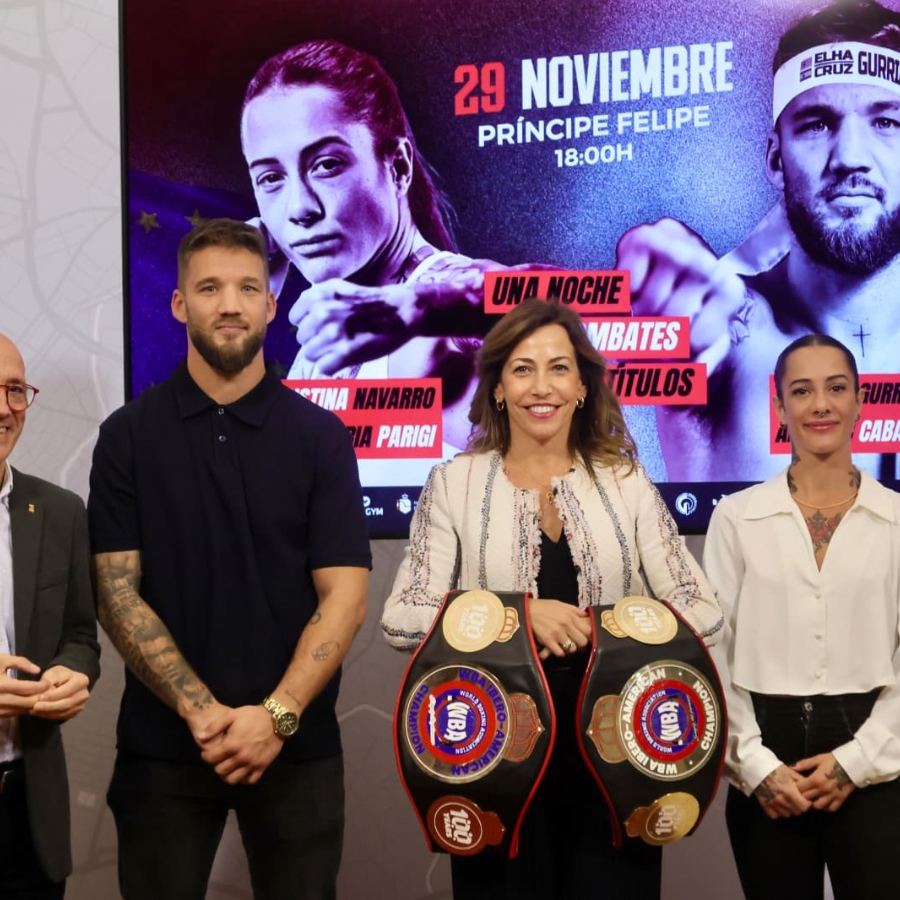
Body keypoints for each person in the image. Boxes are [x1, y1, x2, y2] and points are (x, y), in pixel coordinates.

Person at [381, 298, 723, 898]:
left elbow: (703, 612)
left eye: (559, 368)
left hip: (619, 747)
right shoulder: (453, 482)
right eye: (522, 369)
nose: (542, 386)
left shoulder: (627, 481)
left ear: (584, 387)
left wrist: (605, 628)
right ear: (497, 388)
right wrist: (517, 619)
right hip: (492, 749)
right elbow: (402, 620)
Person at [87, 219, 371, 900]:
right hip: (164, 752)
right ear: (179, 303)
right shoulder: (127, 436)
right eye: (209, 288)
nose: (230, 305)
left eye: (247, 288)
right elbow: (116, 594)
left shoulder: (321, 437)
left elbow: (345, 597)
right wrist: (202, 714)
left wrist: (274, 717)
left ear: (271, 304)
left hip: (295, 745)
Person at [616, 0, 900, 482]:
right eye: (817, 124)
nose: (851, 157)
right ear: (774, 159)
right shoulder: (732, 338)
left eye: (887, 123)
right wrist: (658, 281)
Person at [240, 39, 546, 454]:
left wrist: (419, 308)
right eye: (271, 178)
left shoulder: (441, 309)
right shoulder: (319, 355)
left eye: (326, 165)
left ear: (399, 166)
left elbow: (585, 305)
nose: (299, 208)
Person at [704, 334, 900, 900]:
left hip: (877, 759)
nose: (820, 405)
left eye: (836, 388)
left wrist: (857, 761)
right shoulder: (736, 518)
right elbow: (714, 653)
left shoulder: (896, 520)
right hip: (766, 760)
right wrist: (754, 766)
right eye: (802, 390)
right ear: (779, 405)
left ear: (860, 401)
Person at [0, 332, 100, 899]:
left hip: (29, 814)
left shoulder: (61, 511)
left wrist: (74, 671)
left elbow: (80, 635)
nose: (4, 408)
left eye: (15, 390)